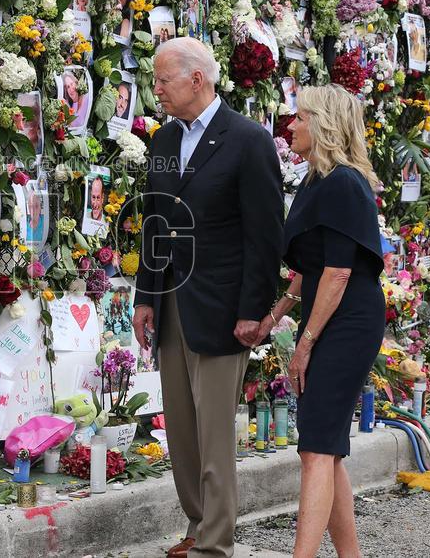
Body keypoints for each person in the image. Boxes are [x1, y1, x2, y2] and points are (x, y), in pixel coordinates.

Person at [131, 37, 283, 558]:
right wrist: (145, 297)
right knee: (181, 430)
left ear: (197, 79)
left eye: (162, 80)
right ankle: (197, 526)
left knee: (215, 433)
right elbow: (154, 222)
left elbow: (264, 236)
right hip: (172, 303)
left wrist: (254, 312)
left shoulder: (248, 140)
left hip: (223, 308)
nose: (156, 90)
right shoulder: (163, 139)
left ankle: (214, 545)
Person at [260, 84, 385, 558]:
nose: (291, 125)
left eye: (300, 117)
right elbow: (311, 269)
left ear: (325, 124)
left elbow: (338, 272)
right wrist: (276, 315)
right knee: (325, 447)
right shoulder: (319, 180)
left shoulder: (343, 183)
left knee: (316, 447)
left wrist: (305, 342)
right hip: (329, 314)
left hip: (347, 321)